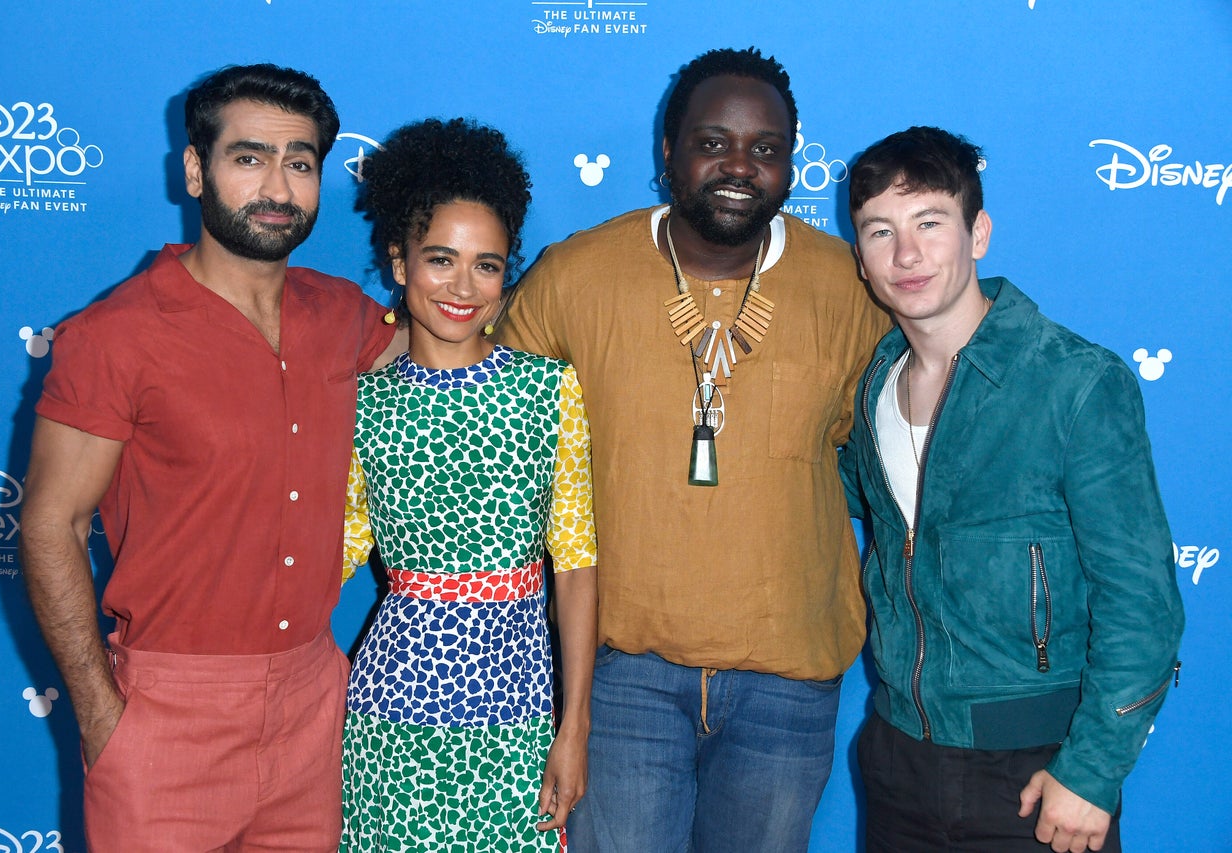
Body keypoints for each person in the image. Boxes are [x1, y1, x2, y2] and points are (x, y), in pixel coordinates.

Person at [498, 47, 889, 850]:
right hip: (624, 674)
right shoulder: (575, 275)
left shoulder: (854, 288)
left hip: (789, 676)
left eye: (767, 149)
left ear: (790, 165)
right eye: (714, 142)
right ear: (668, 150)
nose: (740, 166)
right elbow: (485, 407)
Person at [18, 64, 398, 851]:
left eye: (300, 163)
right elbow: (51, 524)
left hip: (314, 710)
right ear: (195, 169)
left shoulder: (344, 315)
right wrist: (101, 716)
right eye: (248, 157)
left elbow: (454, 340)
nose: (278, 186)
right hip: (165, 718)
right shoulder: (115, 337)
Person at [841, 125, 1185, 853]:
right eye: (880, 231)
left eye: (930, 222)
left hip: (1035, 777)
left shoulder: (1075, 381)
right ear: (861, 258)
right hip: (898, 761)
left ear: (979, 233)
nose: (907, 254)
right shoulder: (872, 385)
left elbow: (1143, 603)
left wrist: (1092, 771)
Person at [339, 117, 598, 852]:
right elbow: (339, 548)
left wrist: (572, 726)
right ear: (398, 261)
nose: (463, 286)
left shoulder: (549, 391)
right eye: (440, 259)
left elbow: (575, 565)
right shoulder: (364, 399)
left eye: (487, 265)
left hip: (518, 710)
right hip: (390, 709)